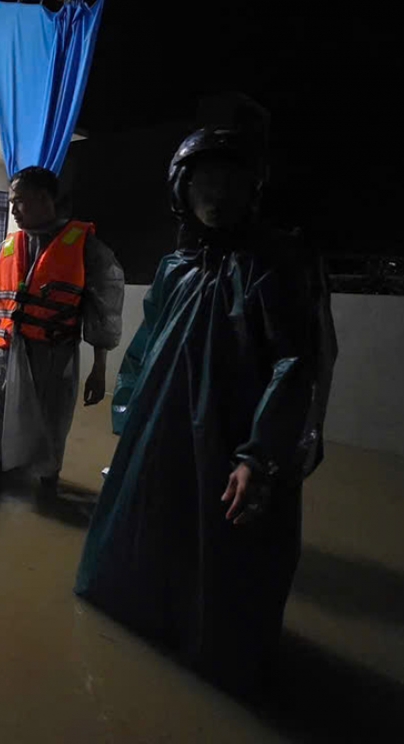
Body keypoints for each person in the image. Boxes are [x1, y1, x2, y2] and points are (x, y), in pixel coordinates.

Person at [74, 128, 337, 696]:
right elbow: (145, 348)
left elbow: (298, 364)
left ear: (252, 190)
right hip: (163, 429)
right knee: (152, 530)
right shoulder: (176, 267)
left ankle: (219, 658)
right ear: (182, 191)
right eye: (203, 183)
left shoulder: (278, 264)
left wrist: (260, 456)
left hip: (232, 438)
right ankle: (148, 634)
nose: (216, 195)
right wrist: (129, 423)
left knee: (225, 552)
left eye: (230, 182)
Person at [0, 166, 125, 499]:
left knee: (49, 425)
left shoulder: (85, 247)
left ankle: (48, 490)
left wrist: (99, 369)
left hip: (52, 357)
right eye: (12, 203)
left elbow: (103, 312)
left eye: (19, 201)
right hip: (2, 356)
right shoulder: (8, 247)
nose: (13, 210)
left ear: (45, 198)